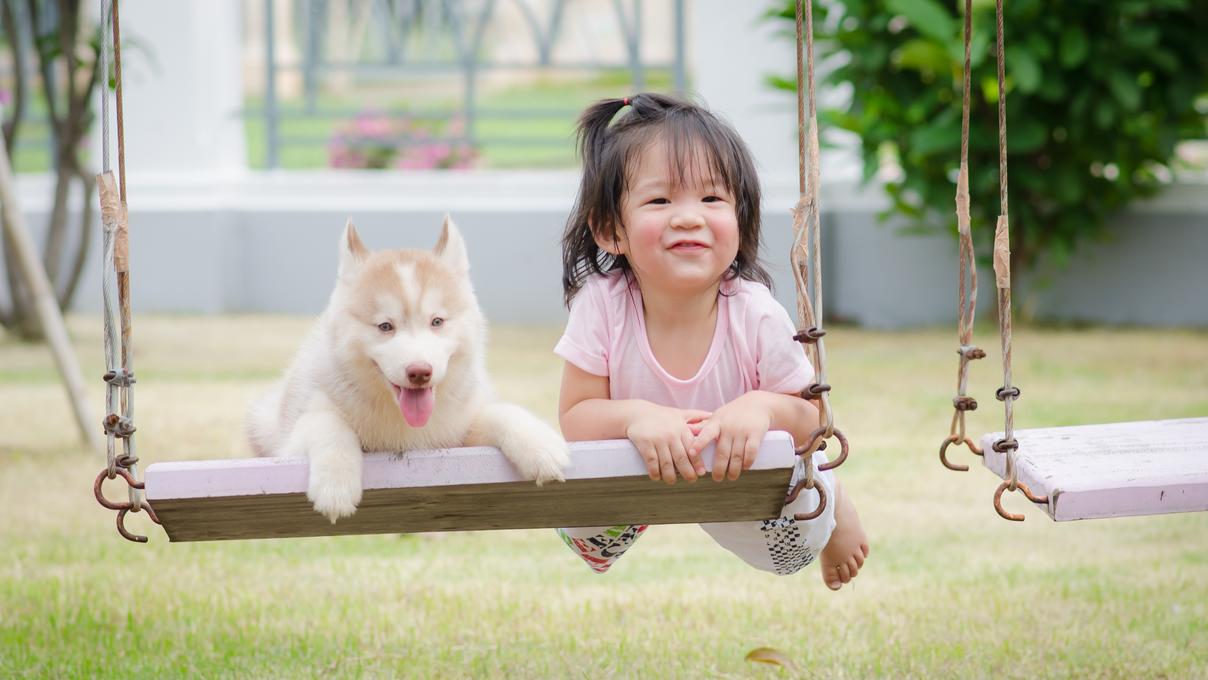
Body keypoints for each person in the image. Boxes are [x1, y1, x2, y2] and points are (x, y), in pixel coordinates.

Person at [554, 93, 869, 589]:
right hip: (640, 468)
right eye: (660, 200)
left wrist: (761, 407)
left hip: (737, 475)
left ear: (740, 221)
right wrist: (639, 418)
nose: (688, 217)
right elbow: (575, 418)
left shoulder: (755, 310)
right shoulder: (602, 304)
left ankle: (833, 501)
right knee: (581, 532)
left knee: (791, 550)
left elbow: (814, 419)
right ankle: (652, 502)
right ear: (612, 230)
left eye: (712, 199)